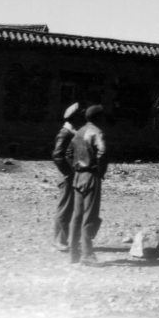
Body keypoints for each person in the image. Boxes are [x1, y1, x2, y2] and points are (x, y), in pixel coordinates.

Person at [68, 105, 108, 265]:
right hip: (91, 176)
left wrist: (76, 166)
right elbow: (103, 151)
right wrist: (100, 170)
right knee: (90, 216)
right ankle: (87, 254)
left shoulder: (79, 132)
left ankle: (73, 253)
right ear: (98, 118)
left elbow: (69, 153)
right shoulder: (97, 132)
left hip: (78, 176)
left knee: (77, 216)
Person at [52, 102, 85, 251]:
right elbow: (57, 156)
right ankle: (59, 240)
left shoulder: (71, 132)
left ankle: (64, 239)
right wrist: (68, 174)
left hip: (70, 176)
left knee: (69, 207)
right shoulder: (65, 133)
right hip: (67, 178)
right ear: (74, 118)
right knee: (64, 208)